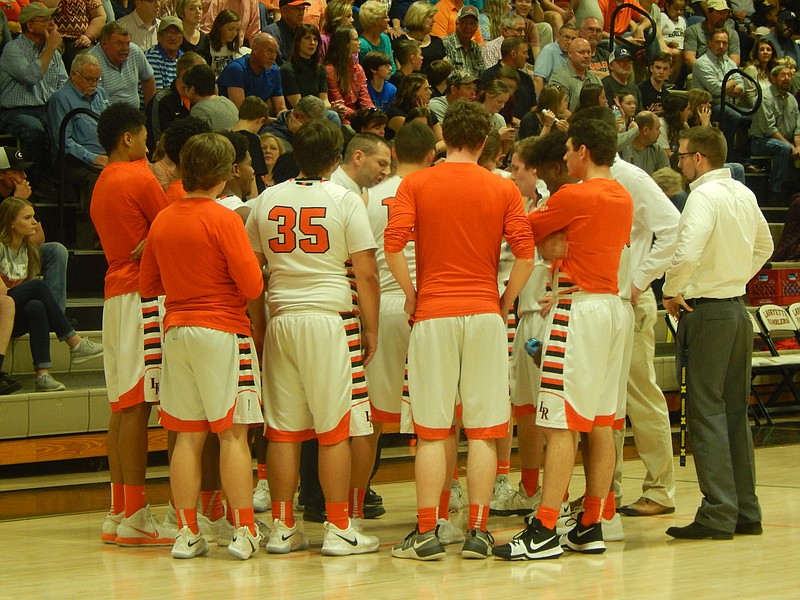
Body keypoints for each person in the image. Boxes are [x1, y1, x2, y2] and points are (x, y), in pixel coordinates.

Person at [386, 100, 533, 561]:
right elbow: (525, 256)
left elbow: (392, 247)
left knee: (432, 430)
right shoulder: (503, 188)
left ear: (443, 138)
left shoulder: (416, 182)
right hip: (485, 313)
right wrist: (506, 300)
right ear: (486, 141)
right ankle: (479, 530)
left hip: (433, 312)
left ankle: (428, 531)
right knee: (486, 430)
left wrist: (411, 293)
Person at [493, 112, 634, 561]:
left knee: (558, 424)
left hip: (579, 309)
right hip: (612, 309)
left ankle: (545, 527)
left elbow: (520, 232)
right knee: (602, 421)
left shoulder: (577, 194)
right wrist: (553, 240)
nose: (566, 156)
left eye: (570, 149)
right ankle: (591, 521)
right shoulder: (622, 194)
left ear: (584, 152)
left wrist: (545, 239)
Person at [247, 118, 382, 556]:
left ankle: (283, 526)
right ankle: (339, 526)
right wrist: (372, 327)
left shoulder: (265, 200)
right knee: (335, 428)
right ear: (336, 158)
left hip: (282, 314)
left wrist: (260, 325)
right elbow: (366, 272)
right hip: (329, 318)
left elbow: (253, 275)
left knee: (283, 430)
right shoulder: (344, 199)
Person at [140, 132, 264, 560]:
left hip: (177, 331)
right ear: (222, 173)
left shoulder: (164, 218)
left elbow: (146, 284)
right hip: (222, 331)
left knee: (186, 436)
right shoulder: (225, 218)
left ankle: (187, 532)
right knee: (232, 435)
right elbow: (252, 285)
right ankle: (244, 531)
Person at [662, 125, 770, 540]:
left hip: (707, 313)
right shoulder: (743, 193)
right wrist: (734, 278)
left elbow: (687, 250)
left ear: (699, 158)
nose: (680, 161)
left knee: (704, 412)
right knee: (734, 414)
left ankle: (717, 511)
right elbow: (765, 246)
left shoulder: (703, 196)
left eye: (683, 154)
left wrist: (673, 290)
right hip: (739, 311)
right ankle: (746, 510)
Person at [90, 102, 172, 546]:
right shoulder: (139, 175)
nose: (148, 143)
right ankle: (137, 513)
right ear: (128, 138)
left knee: (121, 406)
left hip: (114, 295)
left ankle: (120, 508)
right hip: (142, 296)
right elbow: (170, 223)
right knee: (138, 404)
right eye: (143, 135)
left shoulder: (101, 180)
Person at [363, 121, 440, 535]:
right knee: (437, 412)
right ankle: (443, 504)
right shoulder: (437, 190)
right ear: (431, 154)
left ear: (393, 153)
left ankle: (352, 509)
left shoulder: (368, 196)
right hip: (425, 303)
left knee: (370, 417)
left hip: (382, 305)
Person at [0, 196, 103, 392]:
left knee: (36, 306)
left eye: (34, 217)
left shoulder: (29, 250)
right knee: (38, 288)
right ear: (11, 223)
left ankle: (43, 375)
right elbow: (3, 295)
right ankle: (75, 343)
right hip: (2, 311)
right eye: (28, 218)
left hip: (14, 318)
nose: (34, 223)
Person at [0, 2, 67, 188]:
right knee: (35, 131)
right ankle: (35, 185)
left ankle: (62, 184)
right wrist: (51, 48)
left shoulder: (53, 53)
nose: (51, 24)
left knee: (68, 129)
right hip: (17, 111)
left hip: (48, 109)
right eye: (45, 20)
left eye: (51, 19)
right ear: (30, 26)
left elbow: (64, 84)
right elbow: (31, 76)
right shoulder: (13, 50)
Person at [45, 52, 109, 202]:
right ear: (74, 74)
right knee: (100, 178)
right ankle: (95, 223)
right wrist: (93, 157)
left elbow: (113, 124)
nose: (94, 84)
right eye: (89, 79)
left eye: (97, 79)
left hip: (106, 155)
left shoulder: (101, 93)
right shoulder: (60, 99)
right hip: (75, 161)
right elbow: (63, 142)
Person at [692, 29, 746, 160]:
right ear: (710, 42)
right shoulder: (702, 62)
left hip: (728, 103)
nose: (721, 46)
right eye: (718, 42)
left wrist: (726, 85)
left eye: (724, 43)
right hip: (708, 105)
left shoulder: (730, 62)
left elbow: (742, 89)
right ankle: (725, 157)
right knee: (733, 116)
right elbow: (716, 90)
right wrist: (731, 84)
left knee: (751, 116)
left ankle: (743, 157)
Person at [750, 65, 800, 202]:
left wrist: (798, 146)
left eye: (790, 75)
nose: (787, 79)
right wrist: (791, 146)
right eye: (783, 75)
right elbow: (770, 129)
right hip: (761, 142)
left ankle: (796, 190)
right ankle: (775, 191)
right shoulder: (764, 97)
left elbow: (798, 128)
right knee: (783, 148)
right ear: (773, 78)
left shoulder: (792, 99)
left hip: (787, 140)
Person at [145, 51, 206, 154]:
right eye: (198, 73)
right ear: (183, 74)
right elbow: (157, 142)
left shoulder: (201, 98)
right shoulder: (162, 101)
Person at [91, 21, 157, 109]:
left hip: (134, 117)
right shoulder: (92, 62)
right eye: (119, 44)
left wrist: (149, 112)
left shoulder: (134, 51)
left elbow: (148, 79)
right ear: (104, 44)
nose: (125, 49)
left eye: (128, 43)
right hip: (107, 119)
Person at [218, 33, 286, 115]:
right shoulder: (236, 69)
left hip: (258, 121)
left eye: (275, 53)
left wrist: (286, 119)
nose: (273, 57)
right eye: (269, 51)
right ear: (255, 49)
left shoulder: (274, 71)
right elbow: (241, 112)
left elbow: (281, 108)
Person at [325, 26, 374, 125]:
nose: (359, 42)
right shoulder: (330, 70)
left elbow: (365, 98)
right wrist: (360, 117)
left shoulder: (358, 69)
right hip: (341, 118)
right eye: (356, 39)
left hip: (357, 117)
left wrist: (373, 113)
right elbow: (338, 103)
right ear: (345, 43)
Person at [480, 36, 537, 120]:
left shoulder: (526, 79)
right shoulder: (488, 76)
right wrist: (513, 121)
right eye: (524, 53)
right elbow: (484, 107)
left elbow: (533, 107)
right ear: (513, 54)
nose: (527, 56)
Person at [280, 23, 328, 109]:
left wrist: (334, 107)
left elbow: (324, 100)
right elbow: (297, 104)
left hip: (318, 112)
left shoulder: (320, 68)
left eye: (315, 39)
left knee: (333, 114)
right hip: (299, 115)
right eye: (307, 38)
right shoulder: (287, 69)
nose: (312, 43)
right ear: (298, 42)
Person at [683, 0, 740, 70]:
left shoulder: (732, 34)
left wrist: (724, 74)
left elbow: (735, 60)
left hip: (724, 71)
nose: (723, 17)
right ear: (708, 13)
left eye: (725, 13)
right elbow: (689, 58)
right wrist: (708, 72)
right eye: (719, 13)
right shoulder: (693, 30)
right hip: (700, 71)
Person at [550, 36, 602, 113]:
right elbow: (560, 111)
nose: (586, 56)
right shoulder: (559, 78)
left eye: (589, 52)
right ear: (570, 54)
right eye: (581, 52)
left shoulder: (595, 79)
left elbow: (603, 105)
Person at [185, 63, 240, 131]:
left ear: (192, 89)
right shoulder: (229, 102)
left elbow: (200, 141)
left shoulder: (199, 110)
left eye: (185, 88)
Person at [232, 96, 270, 193]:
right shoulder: (253, 140)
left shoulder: (225, 137)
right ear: (260, 120)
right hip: (249, 195)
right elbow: (255, 175)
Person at [397, 1, 446, 72]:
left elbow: (445, 68)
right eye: (430, 17)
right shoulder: (402, 43)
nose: (434, 21)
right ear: (419, 17)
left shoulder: (437, 41)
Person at [533, 22, 577, 95]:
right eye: (566, 37)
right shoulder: (549, 50)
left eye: (573, 39)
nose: (570, 42)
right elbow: (538, 79)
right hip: (553, 97)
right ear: (558, 37)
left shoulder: (574, 53)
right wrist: (539, 103)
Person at [442, 6, 485, 79]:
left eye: (472, 24)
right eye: (464, 22)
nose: (467, 27)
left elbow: (482, 75)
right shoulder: (446, 43)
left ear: (476, 28)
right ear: (456, 23)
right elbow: (447, 77)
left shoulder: (476, 48)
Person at [144, 16, 184, 92]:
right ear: (158, 37)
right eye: (168, 33)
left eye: (176, 33)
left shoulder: (184, 58)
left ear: (182, 38)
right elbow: (158, 95)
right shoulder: (151, 57)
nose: (173, 38)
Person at [264, 0, 309, 64]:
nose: (301, 13)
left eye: (303, 9)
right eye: (297, 9)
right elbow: (273, 67)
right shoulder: (271, 33)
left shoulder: (303, 32)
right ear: (284, 11)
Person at [602, 47, 642, 115]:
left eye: (628, 61)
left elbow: (639, 112)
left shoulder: (634, 88)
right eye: (621, 61)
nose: (625, 64)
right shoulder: (604, 86)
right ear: (611, 66)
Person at [358, 1, 395, 73]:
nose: (389, 20)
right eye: (385, 17)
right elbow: (368, 73)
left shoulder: (385, 38)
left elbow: (392, 67)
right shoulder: (362, 45)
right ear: (375, 21)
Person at [207, 9, 246, 78]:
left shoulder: (234, 46)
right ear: (219, 26)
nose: (234, 33)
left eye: (237, 30)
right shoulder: (207, 43)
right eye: (230, 29)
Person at [660, 0, 686, 83]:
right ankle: (669, 82)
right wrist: (668, 43)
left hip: (681, 48)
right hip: (666, 47)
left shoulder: (682, 20)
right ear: (667, 6)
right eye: (676, 9)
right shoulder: (662, 17)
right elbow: (657, 37)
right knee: (677, 54)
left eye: (681, 10)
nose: (679, 12)